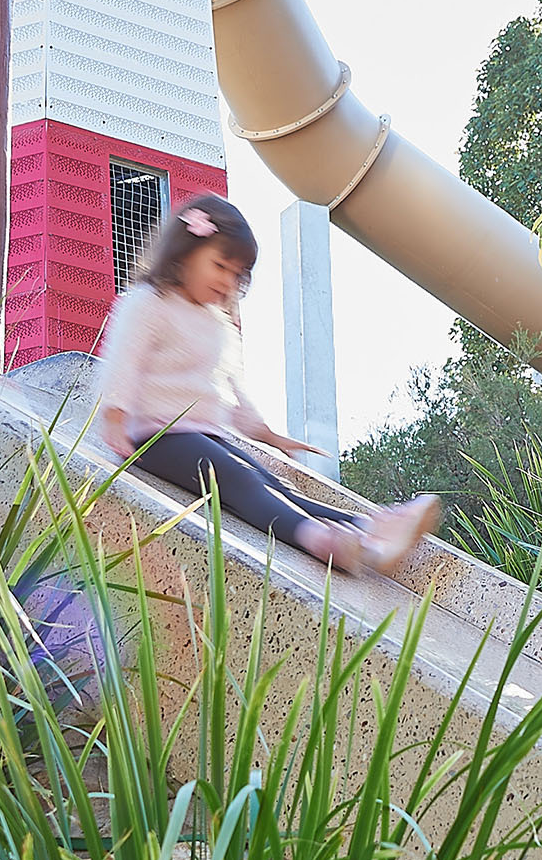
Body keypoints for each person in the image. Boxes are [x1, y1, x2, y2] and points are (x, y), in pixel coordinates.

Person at [88, 194, 440, 575]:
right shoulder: (149, 302)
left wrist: (269, 435)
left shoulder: (215, 322)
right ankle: (319, 540)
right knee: (238, 479)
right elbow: (122, 361)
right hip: (155, 436)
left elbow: (231, 391)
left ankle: (372, 530)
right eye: (219, 266)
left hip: (203, 434)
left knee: (274, 484)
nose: (227, 281)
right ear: (185, 252)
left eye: (236, 274)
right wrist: (114, 415)